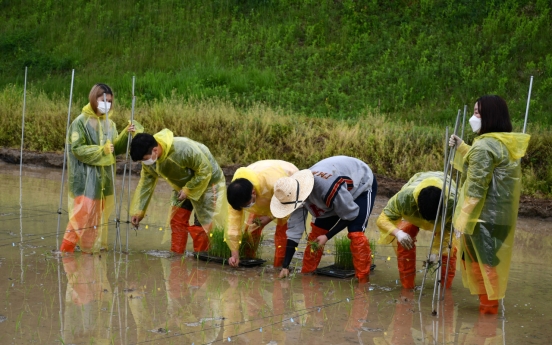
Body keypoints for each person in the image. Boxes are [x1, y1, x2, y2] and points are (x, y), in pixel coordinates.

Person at [449, 95, 530, 314]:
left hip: (483, 218)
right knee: (487, 263)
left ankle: (488, 315)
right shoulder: (503, 142)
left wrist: (462, 220)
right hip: (500, 216)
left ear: (490, 116)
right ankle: (489, 310)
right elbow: (484, 165)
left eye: (477, 112)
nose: (473, 117)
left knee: (483, 266)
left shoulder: (484, 147)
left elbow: (475, 188)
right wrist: (463, 147)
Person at [60, 83, 142, 253]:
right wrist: (100, 150)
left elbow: (114, 149)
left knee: (96, 219)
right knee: (81, 217)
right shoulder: (80, 122)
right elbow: (77, 149)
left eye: (110, 101)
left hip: (103, 181)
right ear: (93, 98)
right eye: (103, 99)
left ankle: (89, 251)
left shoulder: (109, 124)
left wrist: (126, 134)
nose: (107, 104)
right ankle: (65, 252)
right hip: (84, 181)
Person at [271, 156, 377, 283]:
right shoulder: (292, 194)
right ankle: (307, 275)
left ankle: (362, 282)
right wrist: (285, 266)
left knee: (356, 233)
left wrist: (327, 236)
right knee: (316, 234)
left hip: (361, 184)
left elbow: (351, 214)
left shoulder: (327, 188)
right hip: (331, 194)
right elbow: (294, 232)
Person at [129, 130, 226, 254]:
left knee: (202, 224)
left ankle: (202, 259)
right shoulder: (150, 162)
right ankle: (177, 257)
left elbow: (205, 170)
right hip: (181, 186)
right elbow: (146, 184)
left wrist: (189, 189)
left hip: (208, 182)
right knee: (176, 220)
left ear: (155, 150)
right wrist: (139, 211)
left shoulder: (183, 149)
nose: (144, 163)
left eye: (144, 159)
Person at [376, 171, 457, 289]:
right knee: (405, 236)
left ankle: (444, 287)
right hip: (413, 208)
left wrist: (435, 252)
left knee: (449, 247)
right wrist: (398, 234)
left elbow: (449, 231)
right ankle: (407, 286)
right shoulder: (404, 199)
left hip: (444, 211)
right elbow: (382, 219)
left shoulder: (452, 203)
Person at [226, 160, 299, 267]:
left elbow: (289, 202)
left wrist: (269, 217)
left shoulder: (275, 183)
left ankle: (280, 267)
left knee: (282, 235)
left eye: (247, 205)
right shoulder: (236, 193)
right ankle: (249, 259)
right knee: (251, 229)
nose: (246, 208)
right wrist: (234, 254)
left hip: (287, 186)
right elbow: (233, 225)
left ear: (253, 192)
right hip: (262, 188)